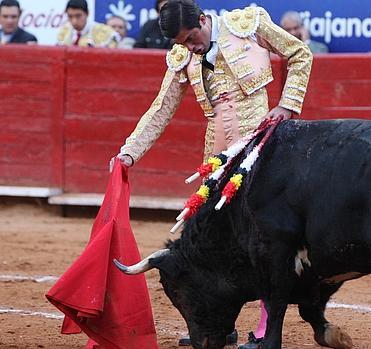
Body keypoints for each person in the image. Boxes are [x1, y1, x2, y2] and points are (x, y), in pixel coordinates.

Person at [112, 1, 312, 348]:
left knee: (265, 239)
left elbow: (299, 54)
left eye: (192, 38)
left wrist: (288, 104)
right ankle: (220, 324)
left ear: (204, 20)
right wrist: (128, 152)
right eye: (183, 44)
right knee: (218, 244)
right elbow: (160, 109)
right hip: (217, 158)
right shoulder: (182, 56)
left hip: (264, 147)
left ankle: (267, 328)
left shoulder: (248, 24)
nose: (190, 47)